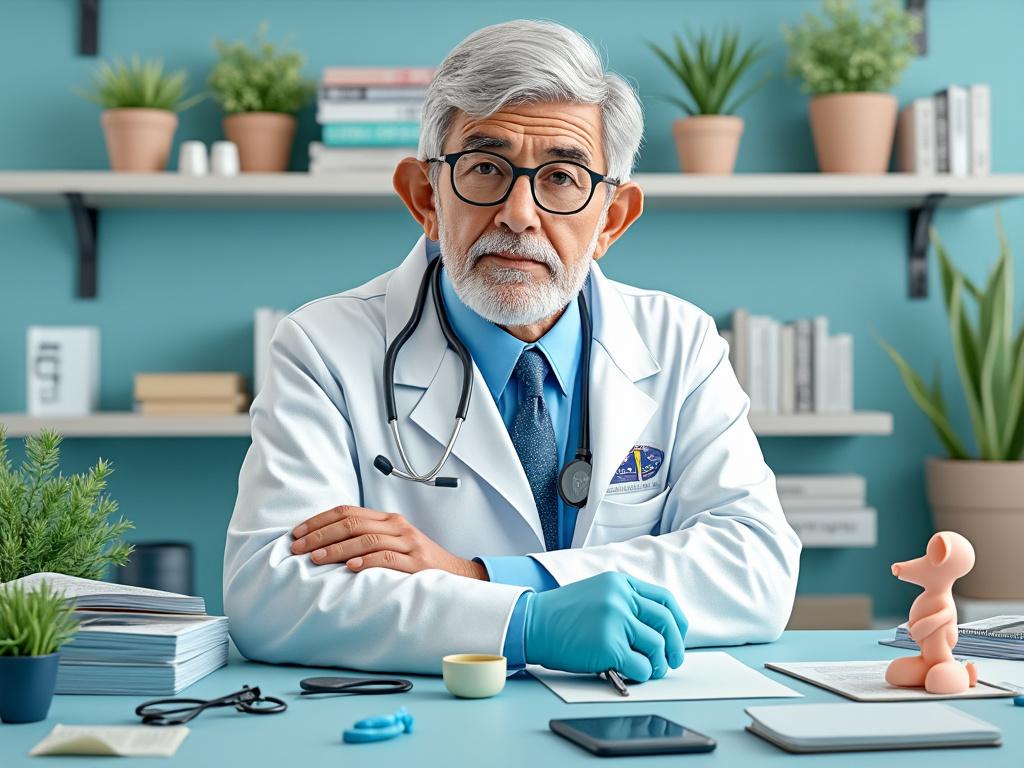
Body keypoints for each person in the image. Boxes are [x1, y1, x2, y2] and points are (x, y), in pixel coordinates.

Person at [223, 19, 801, 680]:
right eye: (486, 168)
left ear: (611, 219)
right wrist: (524, 624)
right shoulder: (323, 348)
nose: (519, 213)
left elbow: (755, 569)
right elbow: (272, 594)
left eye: (561, 176)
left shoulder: (681, 343)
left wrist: (476, 576)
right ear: (425, 198)